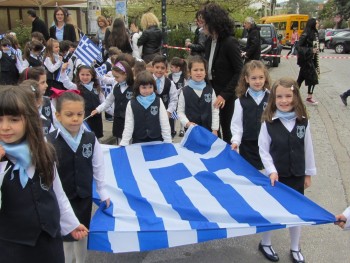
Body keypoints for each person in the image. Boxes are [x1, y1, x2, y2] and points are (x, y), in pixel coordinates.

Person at [0, 86, 88, 263]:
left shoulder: (43, 151)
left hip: (49, 240)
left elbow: (56, 191)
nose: (5, 127)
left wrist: (70, 222)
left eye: (14, 119)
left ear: (29, 120)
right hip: (12, 246)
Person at [46, 91, 110, 263]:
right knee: (66, 236)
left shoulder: (89, 137)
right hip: (60, 198)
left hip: (83, 196)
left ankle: (81, 261)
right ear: (58, 116)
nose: (75, 119)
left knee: (82, 233)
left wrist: (102, 190)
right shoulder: (49, 142)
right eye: (69, 114)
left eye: (79, 114)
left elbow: (98, 164)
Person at [258, 77, 316, 263]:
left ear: (296, 97)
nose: (284, 100)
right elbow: (264, 150)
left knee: (296, 212)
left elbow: (308, 148)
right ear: (273, 99)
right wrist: (271, 170)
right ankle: (265, 242)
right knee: (272, 211)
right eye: (279, 96)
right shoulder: (268, 122)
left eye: (288, 96)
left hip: (296, 175)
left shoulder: (303, 121)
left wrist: (308, 172)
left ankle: (295, 247)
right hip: (276, 177)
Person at [200, 3, 243, 144]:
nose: (202, 26)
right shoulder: (208, 41)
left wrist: (224, 95)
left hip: (227, 96)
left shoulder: (229, 42)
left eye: (204, 23)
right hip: (212, 92)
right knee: (213, 130)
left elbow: (239, 71)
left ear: (213, 23)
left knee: (228, 130)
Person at [230, 60, 271, 170]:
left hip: (268, 146)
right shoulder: (240, 101)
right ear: (247, 79)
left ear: (265, 78)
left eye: (261, 77)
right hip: (247, 147)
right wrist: (235, 141)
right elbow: (236, 126)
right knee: (250, 174)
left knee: (268, 176)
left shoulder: (272, 98)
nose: (257, 81)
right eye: (253, 78)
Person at [120, 70, 172, 146]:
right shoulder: (131, 103)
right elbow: (129, 124)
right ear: (138, 87)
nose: (147, 90)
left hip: (156, 139)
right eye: (144, 87)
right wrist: (124, 142)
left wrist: (168, 141)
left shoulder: (158, 101)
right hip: (138, 140)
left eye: (150, 87)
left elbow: (164, 122)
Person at [91, 61, 134, 144]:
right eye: (114, 77)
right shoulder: (116, 86)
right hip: (118, 120)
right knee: (120, 141)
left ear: (125, 74)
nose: (115, 79)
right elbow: (108, 101)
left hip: (130, 119)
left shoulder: (134, 87)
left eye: (117, 77)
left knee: (131, 142)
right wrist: (98, 109)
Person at [59, 64, 104, 139]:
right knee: (85, 137)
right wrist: (63, 71)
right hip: (84, 119)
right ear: (78, 75)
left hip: (96, 118)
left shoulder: (97, 88)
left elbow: (104, 102)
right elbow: (66, 83)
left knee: (96, 138)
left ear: (92, 76)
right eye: (82, 74)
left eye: (87, 75)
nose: (85, 77)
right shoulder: (77, 87)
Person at [177, 55, 219, 136]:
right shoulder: (184, 91)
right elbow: (180, 111)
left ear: (205, 72)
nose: (199, 73)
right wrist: (187, 123)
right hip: (191, 132)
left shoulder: (210, 90)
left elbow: (215, 110)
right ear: (190, 72)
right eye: (195, 70)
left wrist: (215, 129)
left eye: (201, 70)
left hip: (208, 131)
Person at [152, 55, 178, 138]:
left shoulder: (170, 83)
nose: (159, 70)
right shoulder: (147, 81)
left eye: (162, 68)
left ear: (166, 69)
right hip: (151, 116)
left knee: (165, 138)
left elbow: (174, 99)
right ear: (153, 67)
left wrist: (169, 112)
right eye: (157, 67)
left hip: (166, 116)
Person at [296, 18, 320, 105]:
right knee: (313, 78)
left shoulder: (315, 33)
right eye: (317, 23)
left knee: (301, 79)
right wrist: (310, 50)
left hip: (312, 60)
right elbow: (298, 47)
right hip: (306, 61)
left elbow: (314, 45)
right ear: (312, 24)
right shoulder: (306, 33)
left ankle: (295, 93)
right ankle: (307, 97)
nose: (318, 24)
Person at [168, 57, 188, 137]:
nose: (170, 68)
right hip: (172, 99)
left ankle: (182, 129)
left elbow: (186, 87)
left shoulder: (184, 77)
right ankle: (173, 129)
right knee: (173, 113)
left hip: (181, 99)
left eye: (172, 67)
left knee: (181, 113)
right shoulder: (169, 76)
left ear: (178, 68)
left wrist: (180, 91)